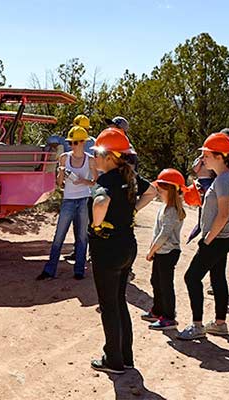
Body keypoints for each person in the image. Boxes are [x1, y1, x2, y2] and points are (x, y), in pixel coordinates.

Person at [177, 132, 229, 340]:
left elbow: (222, 214)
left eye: (206, 155)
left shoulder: (223, 180)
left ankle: (197, 325)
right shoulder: (228, 177)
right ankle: (220, 324)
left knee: (192, 277)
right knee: (217, 276)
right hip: (225, 236)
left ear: (220, 156)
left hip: (218, 238)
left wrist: (207, 240)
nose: (203, 159)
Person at [88, 127, 137, 374]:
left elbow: (101, 201)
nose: (93, 157)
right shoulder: (127, 177)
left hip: (108, 250)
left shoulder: (106, 181)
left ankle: (114, 361)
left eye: (97, 153)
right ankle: (126, 356)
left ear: (109, 156)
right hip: (127, 245)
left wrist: (97, 225)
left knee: (109, 306)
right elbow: (150, 191)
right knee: (119, 301)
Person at [37, 126, 97, 280]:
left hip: (84, 199)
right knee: (59, 236)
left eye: (75, 142)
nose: (72, 145)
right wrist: (62, 172)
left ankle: (79, 270)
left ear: (83, 142)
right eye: (71, 142)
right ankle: (49, 269)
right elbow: (59, 183)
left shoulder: (90, 159)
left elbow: (95, 182)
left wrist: (83, 181)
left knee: (82, 237)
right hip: (68, 200)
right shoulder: (64, 157)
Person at [142, 169, 188, 331]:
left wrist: (151, 250)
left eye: (161, 187)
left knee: (165, 284)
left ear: (170, 189)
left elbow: (164, 235)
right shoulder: (164, 207)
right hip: (161, 251)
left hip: (167, 252)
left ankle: (169, 317)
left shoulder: (172, 210)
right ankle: (158, 310)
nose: (158, 190)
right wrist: (154, 249)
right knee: (156, 281)